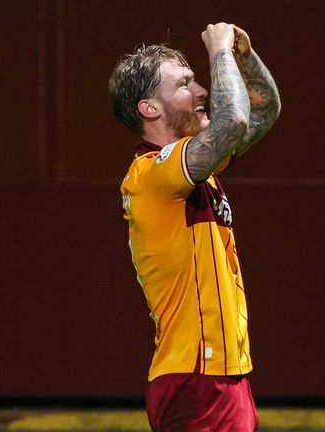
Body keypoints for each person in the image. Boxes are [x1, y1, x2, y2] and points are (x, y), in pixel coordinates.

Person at [108, 22, 280, 431]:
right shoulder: (151, 174)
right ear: (150, 108)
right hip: (196, 377)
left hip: (223, 373)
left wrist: (243, 57)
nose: (202, 90)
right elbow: (232, 122)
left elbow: (263, 111)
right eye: (185, 84)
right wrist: (218, 51)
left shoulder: (196, 168)